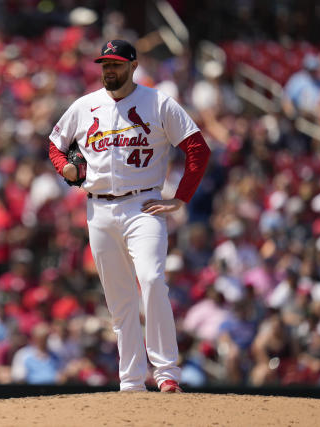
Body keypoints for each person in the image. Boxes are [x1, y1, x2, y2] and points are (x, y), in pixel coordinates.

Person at [49, 39, 211, 392]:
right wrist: (67, 170)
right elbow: (55, 144)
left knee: (152, 281)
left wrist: (181, 198)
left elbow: (197, 148)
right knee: (120, 299)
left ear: (133, 66)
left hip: (144, 205)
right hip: (99, 208)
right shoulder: (85, 105)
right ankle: (131, 381)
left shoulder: (157, 103)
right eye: (105, 64)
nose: (109, 69)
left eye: (117, 63)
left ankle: (166, 373)